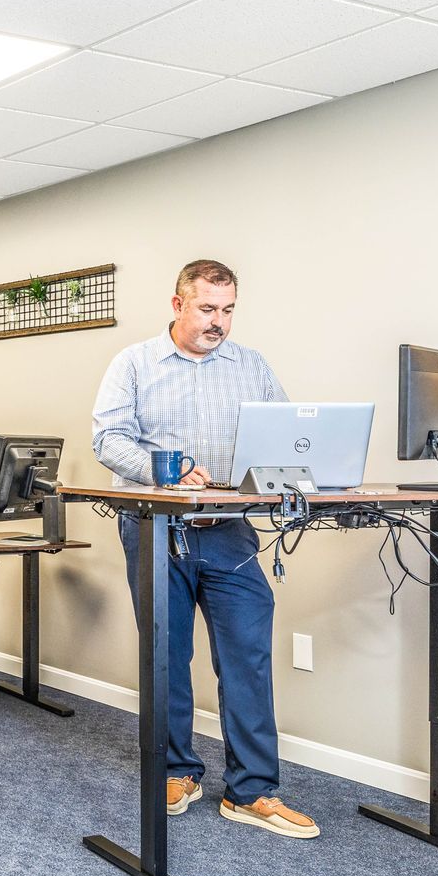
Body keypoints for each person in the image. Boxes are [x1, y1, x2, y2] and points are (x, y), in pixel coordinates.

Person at [91, 259, 318, 839]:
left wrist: (293, 469)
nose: (219, 322)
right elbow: (107, 439)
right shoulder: (135, 364)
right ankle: (177, 771)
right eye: (208, 309)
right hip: (155, 525)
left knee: (247, 654)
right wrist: (164, 472)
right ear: (178, 305)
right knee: (166, 656)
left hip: (230, 529)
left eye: (228, 310)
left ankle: (252, 790)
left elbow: (288, 431)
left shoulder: (252, 367)